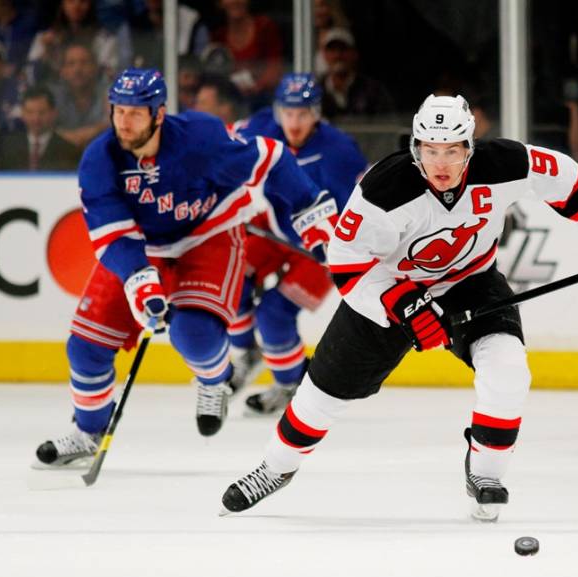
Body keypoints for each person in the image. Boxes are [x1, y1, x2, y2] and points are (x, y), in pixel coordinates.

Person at [218, 93, 578, 520]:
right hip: (388, 289)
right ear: (415, 147)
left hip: (471, 282)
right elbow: (346, 265)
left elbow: (569, 182)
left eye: (452, 150)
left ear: (470, 146)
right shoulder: (384, 189)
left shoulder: (504, 162)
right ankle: (276, 467)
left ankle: (485, 475)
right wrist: (402, 305)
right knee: (321, 396)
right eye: (430, 150)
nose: (441, 163)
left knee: (509, 369)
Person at [33, 68, 336, 468]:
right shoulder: (100, 160)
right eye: (119, 111)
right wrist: (140, 279)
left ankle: (215, 381)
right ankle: (89, 431)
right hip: (143, 245)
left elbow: (273, 159)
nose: (124, 122)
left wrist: (309, 210)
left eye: (136, 113)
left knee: (192, 333)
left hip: (208, 235)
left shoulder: (200, 140)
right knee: (86, 346)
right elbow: (112, 234)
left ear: (159, 114)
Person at [226, 72, 367, 415]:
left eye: (302, 113)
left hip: (322, 248)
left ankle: (290, 387)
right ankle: (247, 352)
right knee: (228, 277)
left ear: (316, 114)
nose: (294, 121)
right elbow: (220, 146)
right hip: (275, 227)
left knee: (274, 315)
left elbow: (359, 207)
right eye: (288, 113)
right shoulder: (262, 127)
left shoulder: (339, 150)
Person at [0, 85, 79, 170]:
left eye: (42, 112)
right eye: (30, 112)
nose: (36, 118)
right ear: (22, 113)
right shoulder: (6, 148)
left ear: (53, 113)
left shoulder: (69, 151)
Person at [319, 27, 395, 119]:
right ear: (324, 55)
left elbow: (388, 125)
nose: (337, 55)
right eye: (332, 50)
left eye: (343, 50)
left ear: (354, 54)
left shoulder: (373, 91)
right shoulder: (316, 90)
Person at [50, 41, 110, 149]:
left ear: (95, 67)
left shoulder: (109, 91)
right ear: (63, 71)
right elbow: (44, 130)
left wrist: (72, 137)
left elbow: (113, 125)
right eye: (71, 64)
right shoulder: (53, 95)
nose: (78, 70)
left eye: (84, 62)